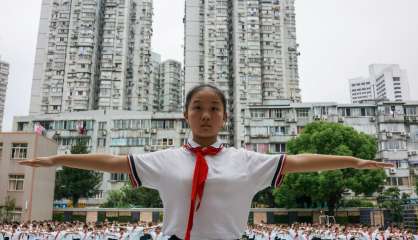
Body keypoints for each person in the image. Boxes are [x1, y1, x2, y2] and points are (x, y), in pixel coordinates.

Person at [19, 84, 394, 240]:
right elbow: (113, 161)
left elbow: (298, 160)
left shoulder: (246, 162)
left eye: (214, 108)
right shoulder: (164, 160)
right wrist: (59, 157)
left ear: (224, 118)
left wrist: (353, 162)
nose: (206, 115)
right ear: (186, 115)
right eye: (197, 108)